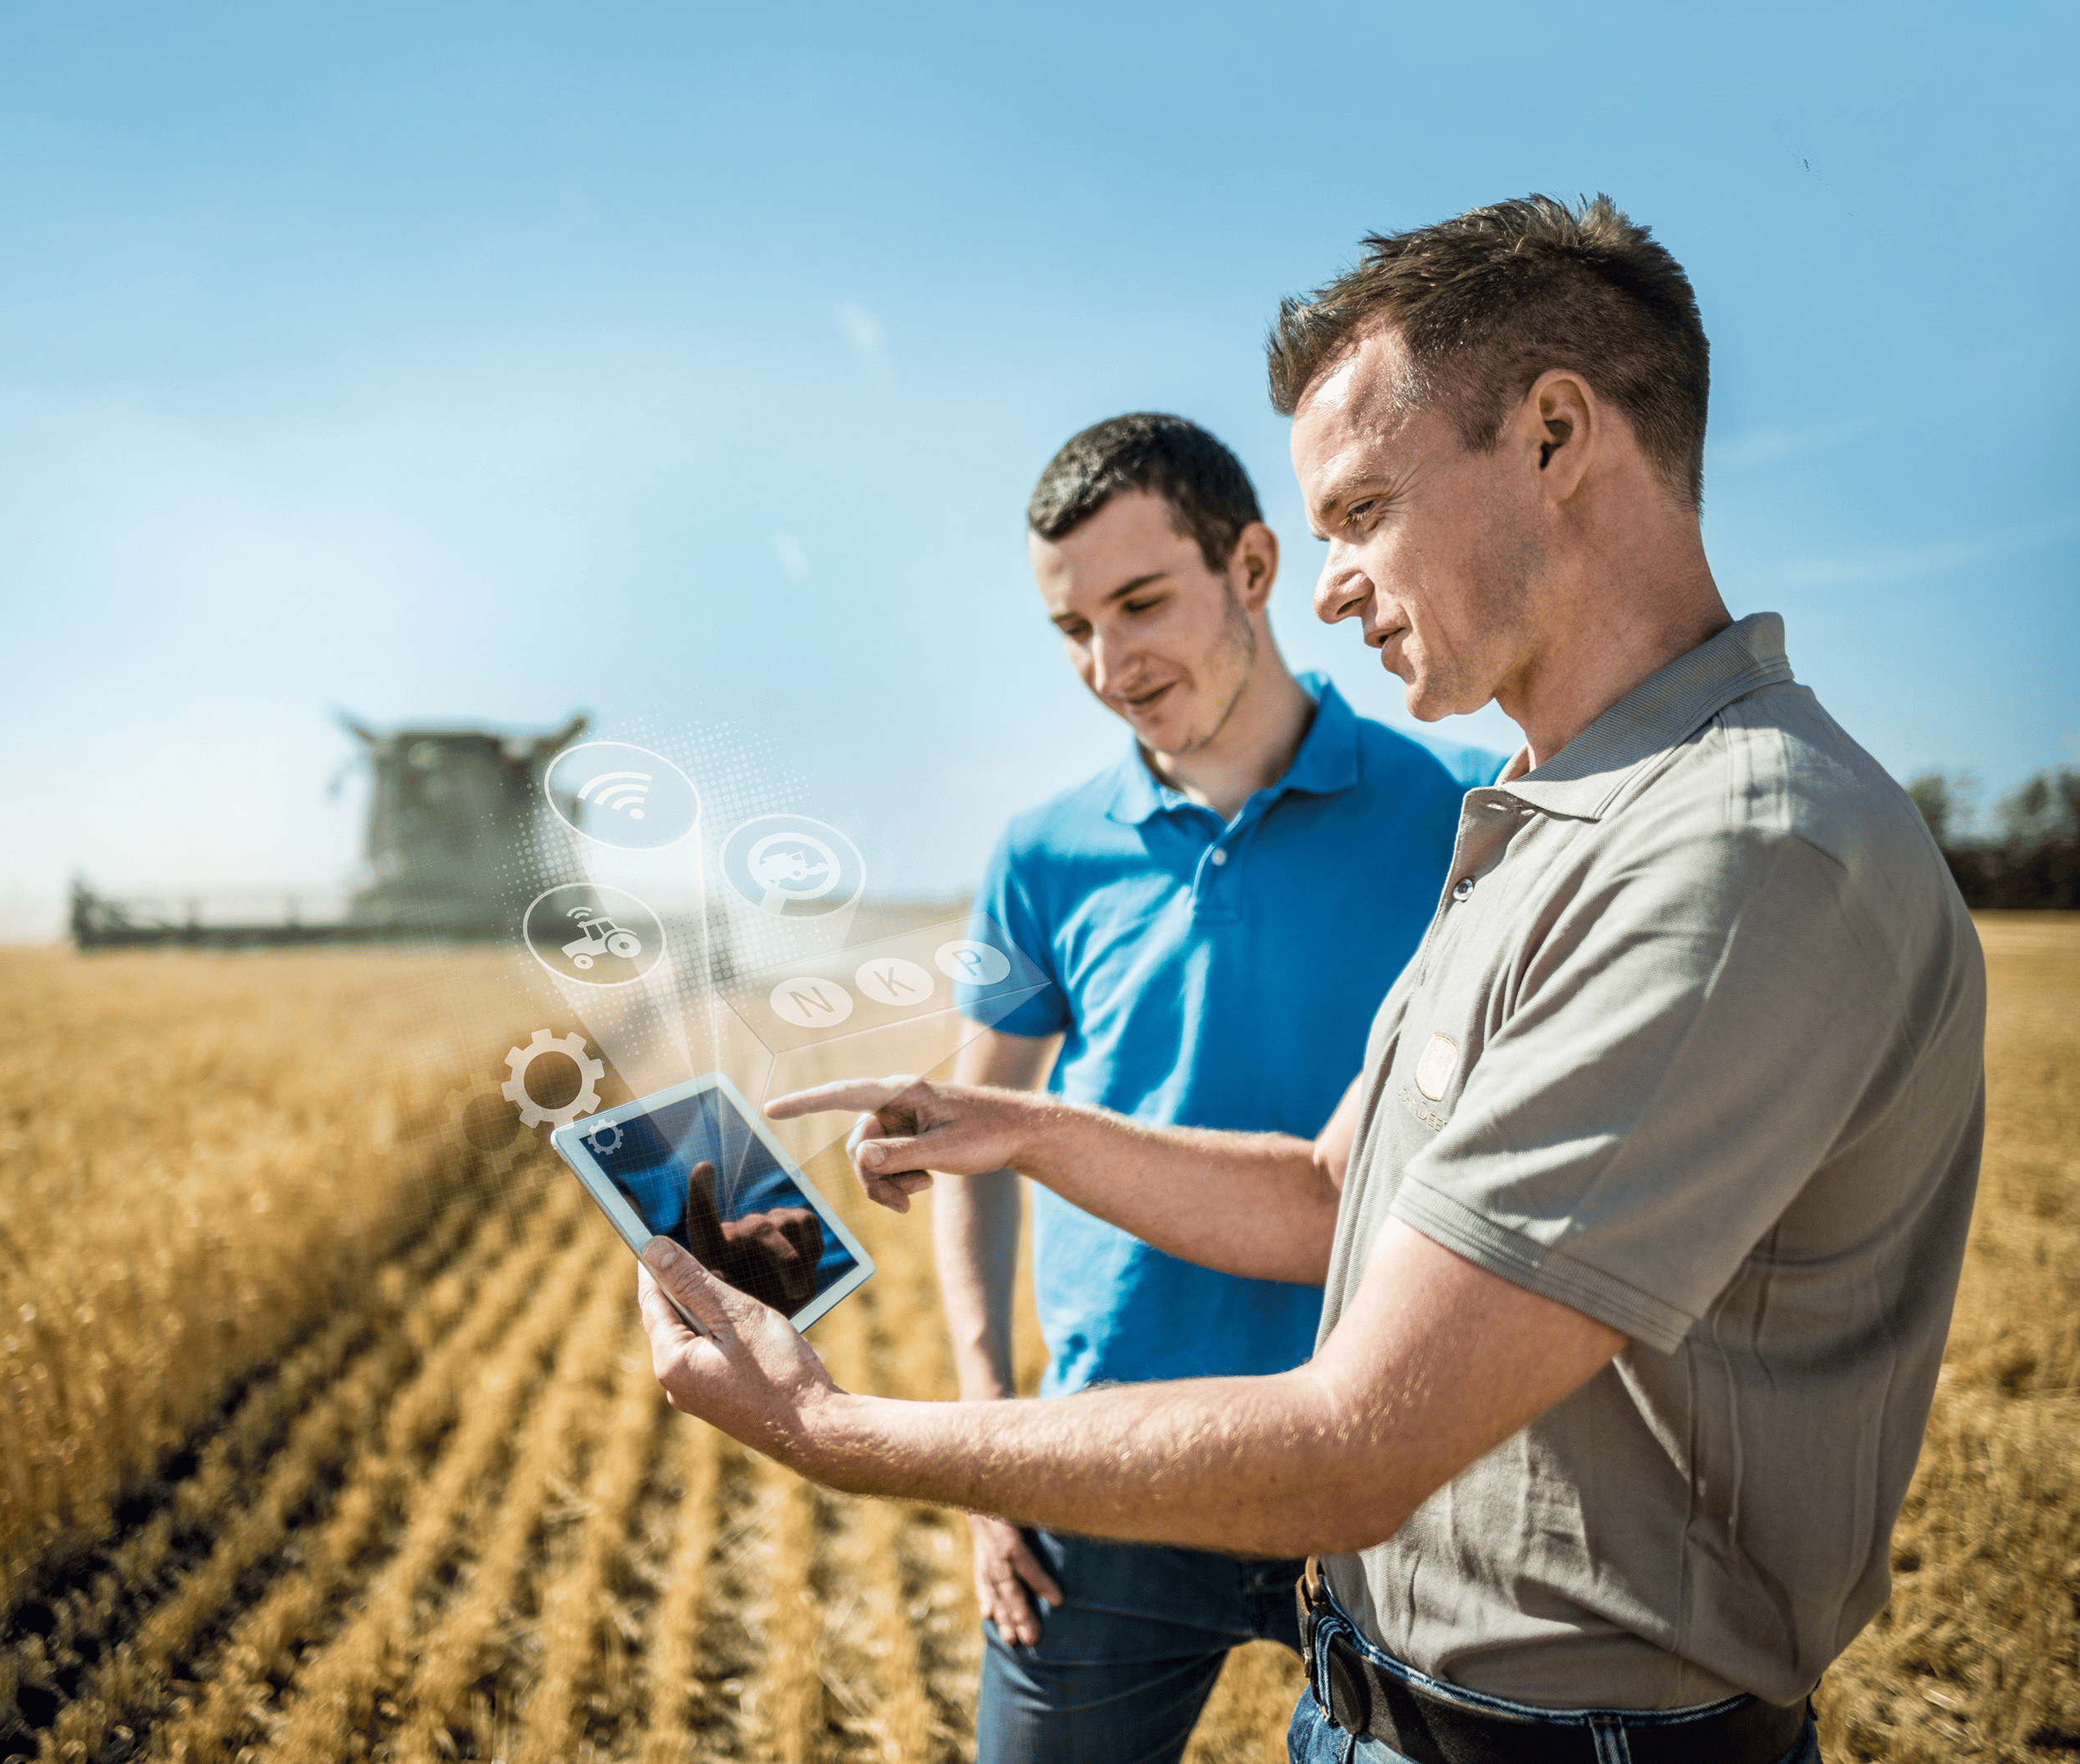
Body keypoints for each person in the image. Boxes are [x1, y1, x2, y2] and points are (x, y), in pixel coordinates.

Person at [634, 196, 1985, 1764]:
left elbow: (1359, 1447)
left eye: (1362, 510)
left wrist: (834, 1430)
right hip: (1368, 1703)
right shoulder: (1542, 825)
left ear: (1557, 433)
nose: (1337, 589)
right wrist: (1033, 1132)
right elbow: (1330, 1192)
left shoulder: (1737, 859)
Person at [940, 413, 1500, 1763]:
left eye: (1141, 603)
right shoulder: (1038, 854)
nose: (1110, 664)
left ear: (1253, 563)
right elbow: (976, 1139)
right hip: (1114, 1463)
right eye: (1073, 629)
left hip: (1396, 1467)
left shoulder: (1463, 811)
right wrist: (982, 1431)